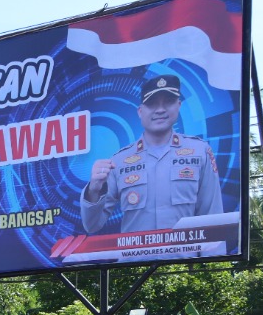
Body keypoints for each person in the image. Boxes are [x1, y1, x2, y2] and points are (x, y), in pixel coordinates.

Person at [81, 74, 223, 234]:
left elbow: (212, 217)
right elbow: (91, 226)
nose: (160, 109)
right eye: (152, 103)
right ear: (140, 111)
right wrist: (93, 190)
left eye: (168, 102)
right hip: (135, 257)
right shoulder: (118, 161)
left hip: (183, 257)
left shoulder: (200, 152)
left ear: (178, 105)